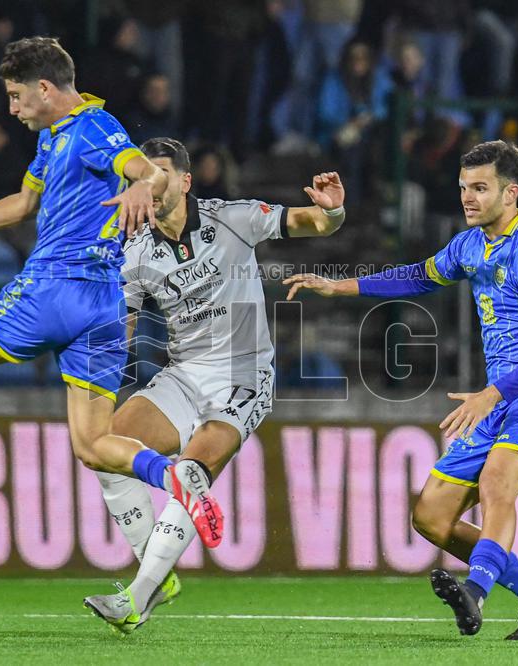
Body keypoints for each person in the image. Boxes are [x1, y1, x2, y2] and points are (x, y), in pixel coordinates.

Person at [0, 38, 213, 533]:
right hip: (104, 305)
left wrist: (143, 185)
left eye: (17, 96)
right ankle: (173, 474)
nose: (11, 108)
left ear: (44, 88)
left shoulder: (93, 127)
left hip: (54, 285)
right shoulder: (54, 136)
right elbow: (22, 204)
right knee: (92, 445)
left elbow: (146, 171)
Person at [284, 140, 518, 640]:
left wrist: (492, 395)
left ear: (511, 193)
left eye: (480, 188)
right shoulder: (470, 245)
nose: (467, 197)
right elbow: (417, 277)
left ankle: (477, 592)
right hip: (496, 399)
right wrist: (341, 287)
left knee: (497, 483)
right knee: (432, 517)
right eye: (464, 187)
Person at [82, 137, 346, 634]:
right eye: (140, 175)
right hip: (183, 373)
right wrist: (94, 367)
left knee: (190, 470)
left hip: (243, 374)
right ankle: (156, 572)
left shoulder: (234, 217)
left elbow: (311, 221)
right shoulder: (133, 251)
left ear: (184, 182)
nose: (148, 184)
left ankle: (137, 597)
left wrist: (332, 213)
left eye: (158, 174)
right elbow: (125, 330)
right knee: (102, 448)